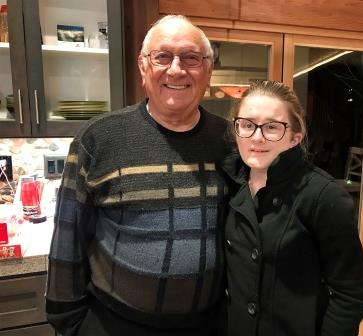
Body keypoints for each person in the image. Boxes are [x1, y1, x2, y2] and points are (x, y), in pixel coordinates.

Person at [46, 15, 232, 336]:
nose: (176, 69)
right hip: (115, 324)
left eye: (191, 58)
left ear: (208, 71)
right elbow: (68, 235)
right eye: (163, 57)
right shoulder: (98, 138)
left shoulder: (230, 140)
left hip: (207, 324)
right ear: (143, 67)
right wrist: (71, 323)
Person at [221, 80, 363, 336]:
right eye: (247, 125)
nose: (257, 136)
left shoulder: (322, 195)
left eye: (272, 127)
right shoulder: (229, 181)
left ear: (294, 138)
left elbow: (350, 294)